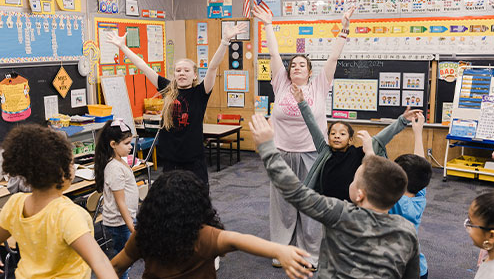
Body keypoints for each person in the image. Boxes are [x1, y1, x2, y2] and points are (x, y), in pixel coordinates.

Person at [249, 114, 420, 277]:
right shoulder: (407, 231)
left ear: (359, 194)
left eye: (355, 179)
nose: (337, 136)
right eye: (333, 133)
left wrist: (267, 147)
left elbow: (293, 190)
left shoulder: (339, 214)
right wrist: (370, 152)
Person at [252, 5, 355, 269]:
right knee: (283, 204)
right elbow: (273, 53)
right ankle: (282, 251)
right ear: (288, 72)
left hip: (313, 154)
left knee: (310, 204)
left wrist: (344, 28)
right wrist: (267, 25)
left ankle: (310, 252)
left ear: (310, 71)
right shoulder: (281, 84)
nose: (297, 67)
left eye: (302, 65)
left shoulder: (320, 86)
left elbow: (332, 59)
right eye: (293, 65)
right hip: (282, 153)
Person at [107, 23, 246, 186]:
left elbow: (213, 67)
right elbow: (142, 66)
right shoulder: (167, 88)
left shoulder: (200, 93)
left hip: (194, 161)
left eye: (187, 71)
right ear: (174, 74)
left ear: (195, 75)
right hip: (171, 161)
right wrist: (123, 47)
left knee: (197, 202)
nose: (182, 73)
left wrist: (224, 42)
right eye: (178, 70)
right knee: (172, 203)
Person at [110, 170, 314, 279]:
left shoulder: (145, 235)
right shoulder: (204, 237)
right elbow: (238, 240)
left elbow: (116, 266)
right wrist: (279, 250)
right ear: (197, 204)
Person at [0, 124, 117, 279]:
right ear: (63, 173)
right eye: (71, 163)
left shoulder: (15, 204)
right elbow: (100, 261)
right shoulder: (67, 214)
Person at [291, 84, 421, 201]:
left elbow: (381, 138)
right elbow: (312, 125)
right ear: (328, 137)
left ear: (350, 139)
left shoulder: (358, 153)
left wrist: (402, 121)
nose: (337, 136)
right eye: (333, 133)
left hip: (351, 205)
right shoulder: (325, 151)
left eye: (342, 134)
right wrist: (302, 102)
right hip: (328, 205)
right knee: (328, 228)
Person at [389, 112, 433, 279]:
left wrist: (370, 150)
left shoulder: (396, 201)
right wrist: (417, 132)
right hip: (419, 269)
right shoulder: (419, 193)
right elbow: (421, 164)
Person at [94, 119, 138, 279]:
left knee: (126, 257)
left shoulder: (120, 161)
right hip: (120, 223)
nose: (130, 147)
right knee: (122, 260)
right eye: (126, 143)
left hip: (126, 220)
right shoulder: (113, 168)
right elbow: (120, 202)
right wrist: (131, 226)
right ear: (113, 144)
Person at [465, 192, 494, 279]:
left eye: (471, 223)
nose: (467, 225)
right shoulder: (491, 257)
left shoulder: (493, 274)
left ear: (492, 236)